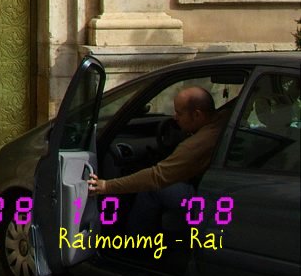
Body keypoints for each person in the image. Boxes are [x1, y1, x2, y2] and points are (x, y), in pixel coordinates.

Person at [88, 86, 227, 233]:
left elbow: (156, 177)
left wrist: (106, 186)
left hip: (207, 200)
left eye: (179, 113)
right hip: (216, 193)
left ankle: (135, 243)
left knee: (153, 190)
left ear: (197, 115)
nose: (175, 118)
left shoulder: (198, 144)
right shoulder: (224, 118)